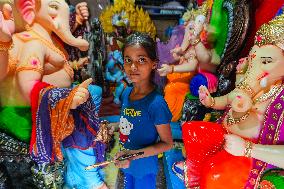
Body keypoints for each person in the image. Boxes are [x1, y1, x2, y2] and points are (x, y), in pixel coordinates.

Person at [114, 32, 173, 189]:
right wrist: (112, 127)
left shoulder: (156, 104)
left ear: (153, 63)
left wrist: (133, 155)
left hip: (145, 168)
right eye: (128, 60)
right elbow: (130, 122)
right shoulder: (126, 93)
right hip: (128, 165)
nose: (133, 67)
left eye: (141, 60)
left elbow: (167, 144)